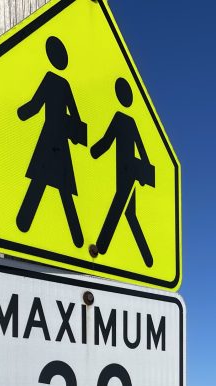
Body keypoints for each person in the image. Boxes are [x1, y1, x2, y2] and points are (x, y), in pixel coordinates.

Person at [15, 36, 87, 248]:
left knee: (42, 179)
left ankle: (23, 222)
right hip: (60, 140)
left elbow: (35, 105)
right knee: (61, 185)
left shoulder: (52, 80)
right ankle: (77, 236)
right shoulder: (63, 84)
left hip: (49, 137)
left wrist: (22, 112)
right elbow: (75, 116)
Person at [90, 77, 155, 265]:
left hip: (127, 170)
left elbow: (107, 141)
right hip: (130, 169)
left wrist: (95, 151)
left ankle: (101, 246)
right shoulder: (130, 122)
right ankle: (146, 256)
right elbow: (141, 150)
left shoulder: (121, 119)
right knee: (129, 212)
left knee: (119, 205)